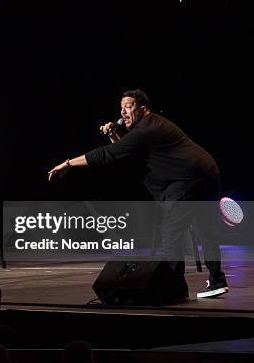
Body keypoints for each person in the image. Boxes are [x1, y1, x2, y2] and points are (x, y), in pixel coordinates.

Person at [47, 89, 228, 299]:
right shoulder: (148, 126)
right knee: (205, 230)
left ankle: (175, 288)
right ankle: (216, 281)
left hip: (190, 179)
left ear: (142, 109)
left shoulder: (147, 128)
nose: (123, 112)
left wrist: (68, 163)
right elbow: (127, 154)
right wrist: (114, 135)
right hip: (206, 172)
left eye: (129, 107)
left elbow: (108, 154)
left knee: (171, 232)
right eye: (121, 108)